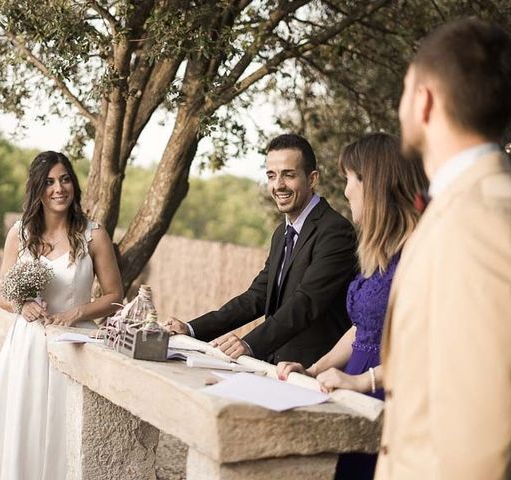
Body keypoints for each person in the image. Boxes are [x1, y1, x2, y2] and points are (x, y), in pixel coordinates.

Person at [377, 19, 511, 479]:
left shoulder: (478, 220)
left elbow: (482, 438)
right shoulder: (463, 206)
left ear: (424, 100)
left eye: (404, 89)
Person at [277, 133, 427, 479]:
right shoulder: (379, 252)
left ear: (374, 185)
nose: (345, 191)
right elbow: (363, 328)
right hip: (356, 399)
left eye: (350, 179)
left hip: (392, 400)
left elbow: (430, 348)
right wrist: (315, 369)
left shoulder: (421, 253)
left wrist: (364, 382)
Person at [0, 151, 123, 480]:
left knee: (66, 429)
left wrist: (78, 311)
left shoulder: (94, 235)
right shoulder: (20, 234)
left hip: (76, 343)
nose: (59, 188)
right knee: (25, 424)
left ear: (74, 185)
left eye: (65, 179)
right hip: (27, 347)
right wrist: (21, 305)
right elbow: (2, 295)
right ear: (37, 188)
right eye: (50, 182)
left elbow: (115, 296)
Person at [165, 134, 358, 367]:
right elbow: (256, 297)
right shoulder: (281, 233)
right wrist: (192, 329)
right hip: (274, 366)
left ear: (312, 178)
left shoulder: (336, 231)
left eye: (289, 174)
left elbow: (306, 303)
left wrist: (250, 345)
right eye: (271, 176)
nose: (278, 185)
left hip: (314, 371)